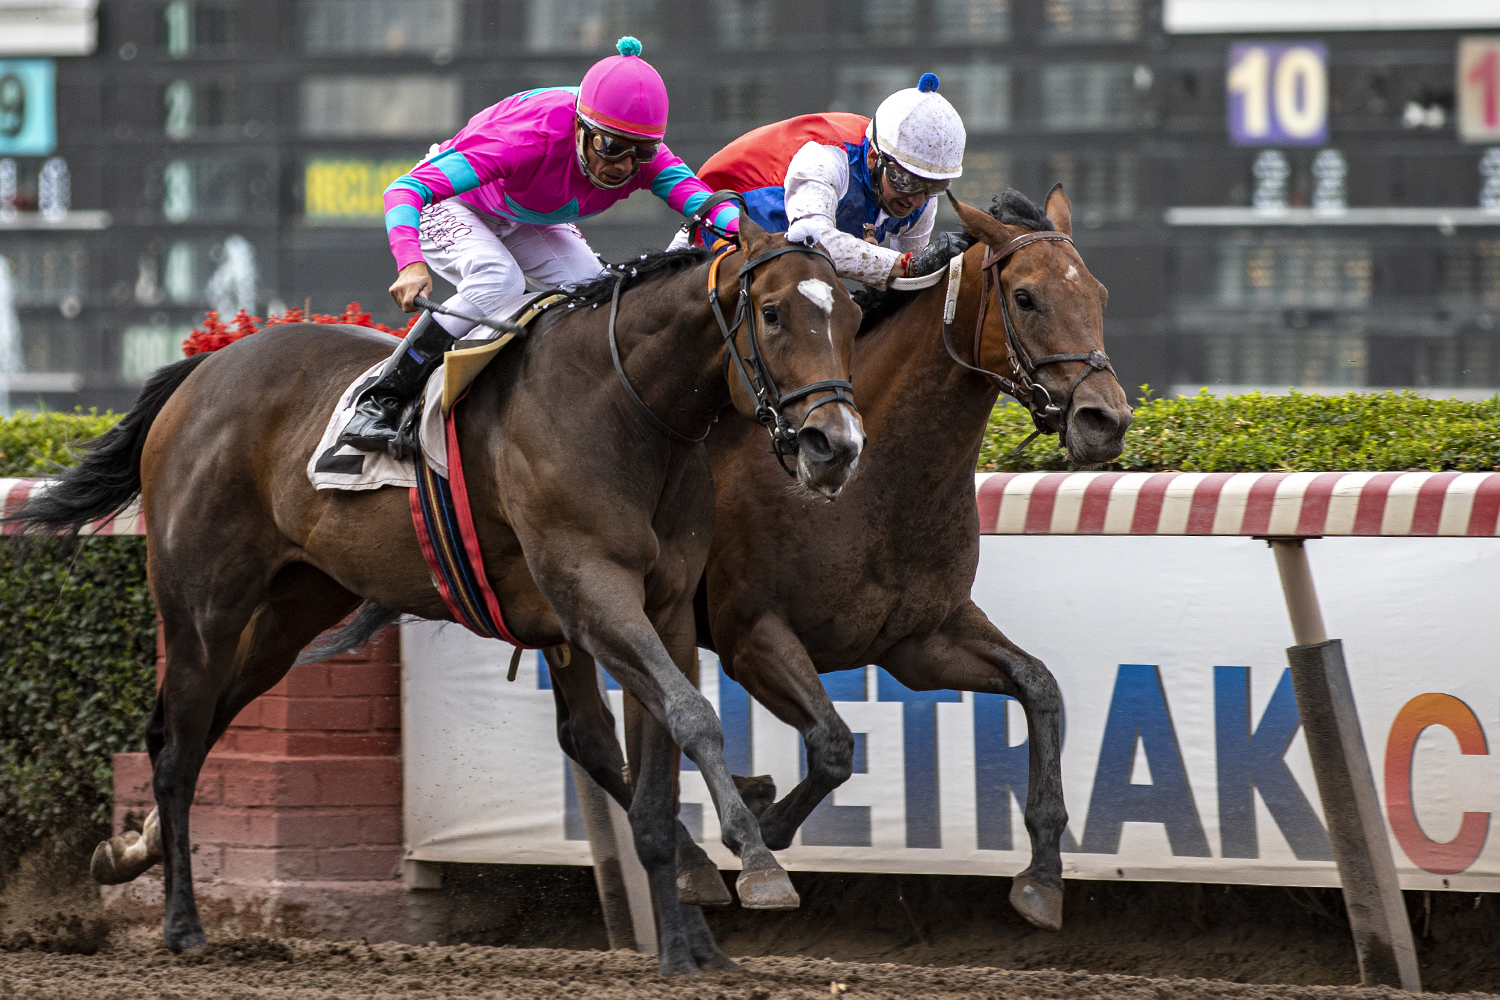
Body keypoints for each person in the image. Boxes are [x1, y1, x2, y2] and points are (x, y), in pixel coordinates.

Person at [342, 36, 740, 457]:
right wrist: (410, 263)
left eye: (640, 153)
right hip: (452, 202)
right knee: (498, 280)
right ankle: (381, 398)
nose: (624, 165)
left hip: (524, 214)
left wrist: (762, 239)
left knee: (597, 299)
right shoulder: (528, 137)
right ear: (579, 127)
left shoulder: (643, 157)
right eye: (610, 146)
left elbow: (710, 207)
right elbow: (405, 190)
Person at [686, 72, 969, 290]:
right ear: (874, 156)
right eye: (905, 181)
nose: (917, 200)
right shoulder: (827, 156)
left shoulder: (923, 200)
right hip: (713, 241)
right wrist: (906, 265)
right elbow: (812, 239)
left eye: (934, 187)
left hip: (784, 268)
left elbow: (910, 282)